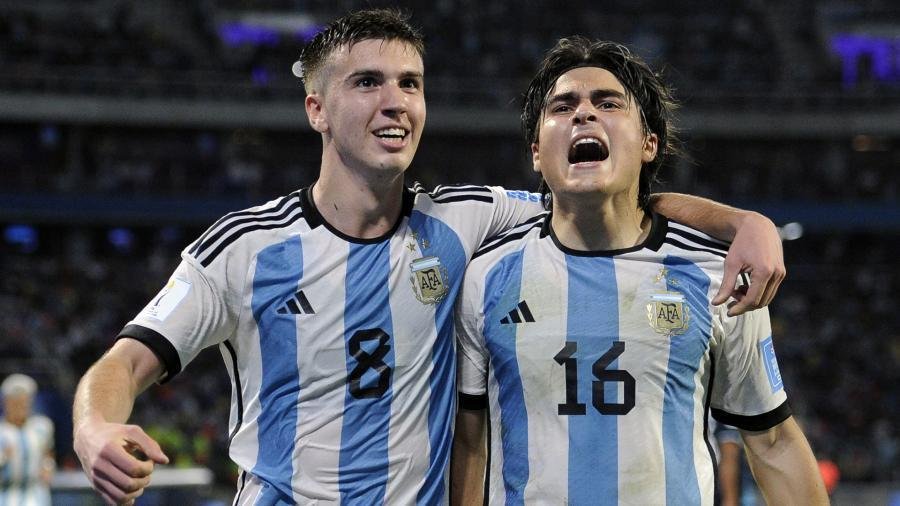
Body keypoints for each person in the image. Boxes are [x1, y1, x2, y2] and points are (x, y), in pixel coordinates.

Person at [73, 10, 786, 505]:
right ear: (316, 109)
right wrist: (94, 427)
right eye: (367, 83)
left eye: (410, 84)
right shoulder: (245, 247)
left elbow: (605, 196)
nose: (396, 102)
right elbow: (123, 364)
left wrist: (744, 223)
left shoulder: (463, 220)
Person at [451, 36, 828, 505]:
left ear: (650, 144)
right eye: (562, 107)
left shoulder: (717, 274)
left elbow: (771, 440)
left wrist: (749, 222)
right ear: (536, 152)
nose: (583, 114)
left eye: (608, 103)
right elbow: (470, 443)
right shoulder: (487, 275)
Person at [0, 374, 55, 506]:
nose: (20, 407)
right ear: (6, 403)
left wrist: (48, 466)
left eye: (24, 402)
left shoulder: (42, 427)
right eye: (15, 402)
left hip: (35, 494)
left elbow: (48, 452)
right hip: (5, 493)